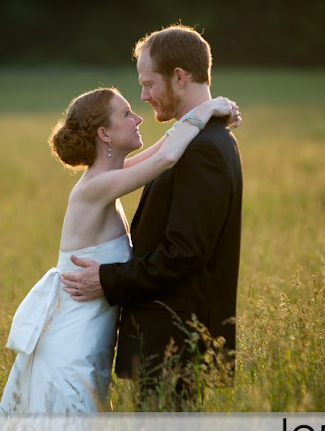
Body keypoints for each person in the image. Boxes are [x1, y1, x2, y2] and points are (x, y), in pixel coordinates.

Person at [0, 87, 239, 414]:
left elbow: (166, 145)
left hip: (91, 340)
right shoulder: (95, 188)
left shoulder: (110, 176)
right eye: (126, 114)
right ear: (104, 133)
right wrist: (206, 110)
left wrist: (211, 112)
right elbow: (167, 158)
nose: (138, 117)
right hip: (73, 344)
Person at [60, 24, 243, 409]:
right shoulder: (194, 142)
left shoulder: (204, 148)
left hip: (175, 340)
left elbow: (185, 253)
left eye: (147, 84)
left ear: (179, 77)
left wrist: (108, 280)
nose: (142, 100)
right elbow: (163, 154)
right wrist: (211, 107)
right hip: (159, 341)